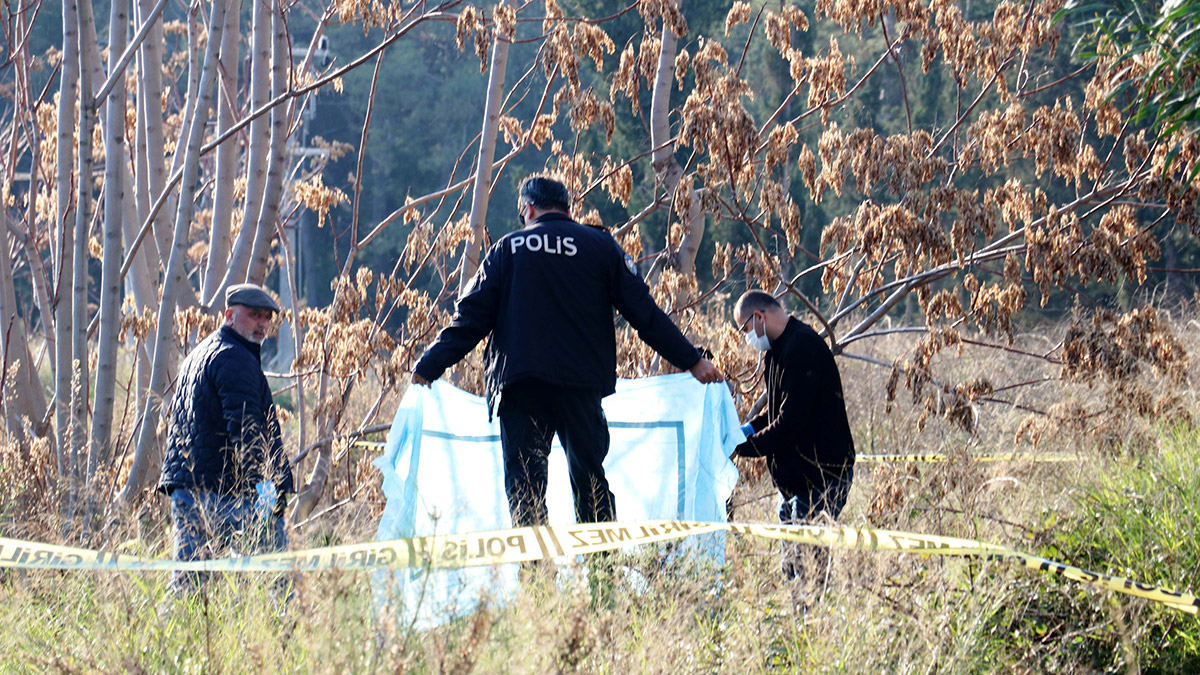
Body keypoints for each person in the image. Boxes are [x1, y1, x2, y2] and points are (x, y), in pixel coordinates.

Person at [412, 174, 722, 530]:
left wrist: (428, 367)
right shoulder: (601, 247)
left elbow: (469, 322)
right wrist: (692, 361)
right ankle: (603, 575)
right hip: (581, 386)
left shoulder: (506, 251)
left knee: (526, 487)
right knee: (591, 484)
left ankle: (536, 577)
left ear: (527, 209)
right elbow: (645, 315)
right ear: (567, 208)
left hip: (521, 387)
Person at [158, 283, 294, 593]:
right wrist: (267, 494)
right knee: (280, 574)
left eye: (267, 317)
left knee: (188, 585)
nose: (262, 324)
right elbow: (247, 432)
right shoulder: (235, 358)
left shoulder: (200, 353)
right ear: (229, 315)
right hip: (221, 495)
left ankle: (168, 640)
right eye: (254, 315)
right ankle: (287, 632)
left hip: (187, 492)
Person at [732, 290, 855, 585]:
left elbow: (790, 423)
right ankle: (800, 626)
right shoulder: (776, 351)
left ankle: (815, 627)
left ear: (759, 317)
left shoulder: (802, 347)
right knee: (791, 569)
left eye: (745, 329)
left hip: (820, 479)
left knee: (809, 571)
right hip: (793, 484)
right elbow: (777, 411)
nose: (748, 338)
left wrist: (742, 448)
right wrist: (746, 431)